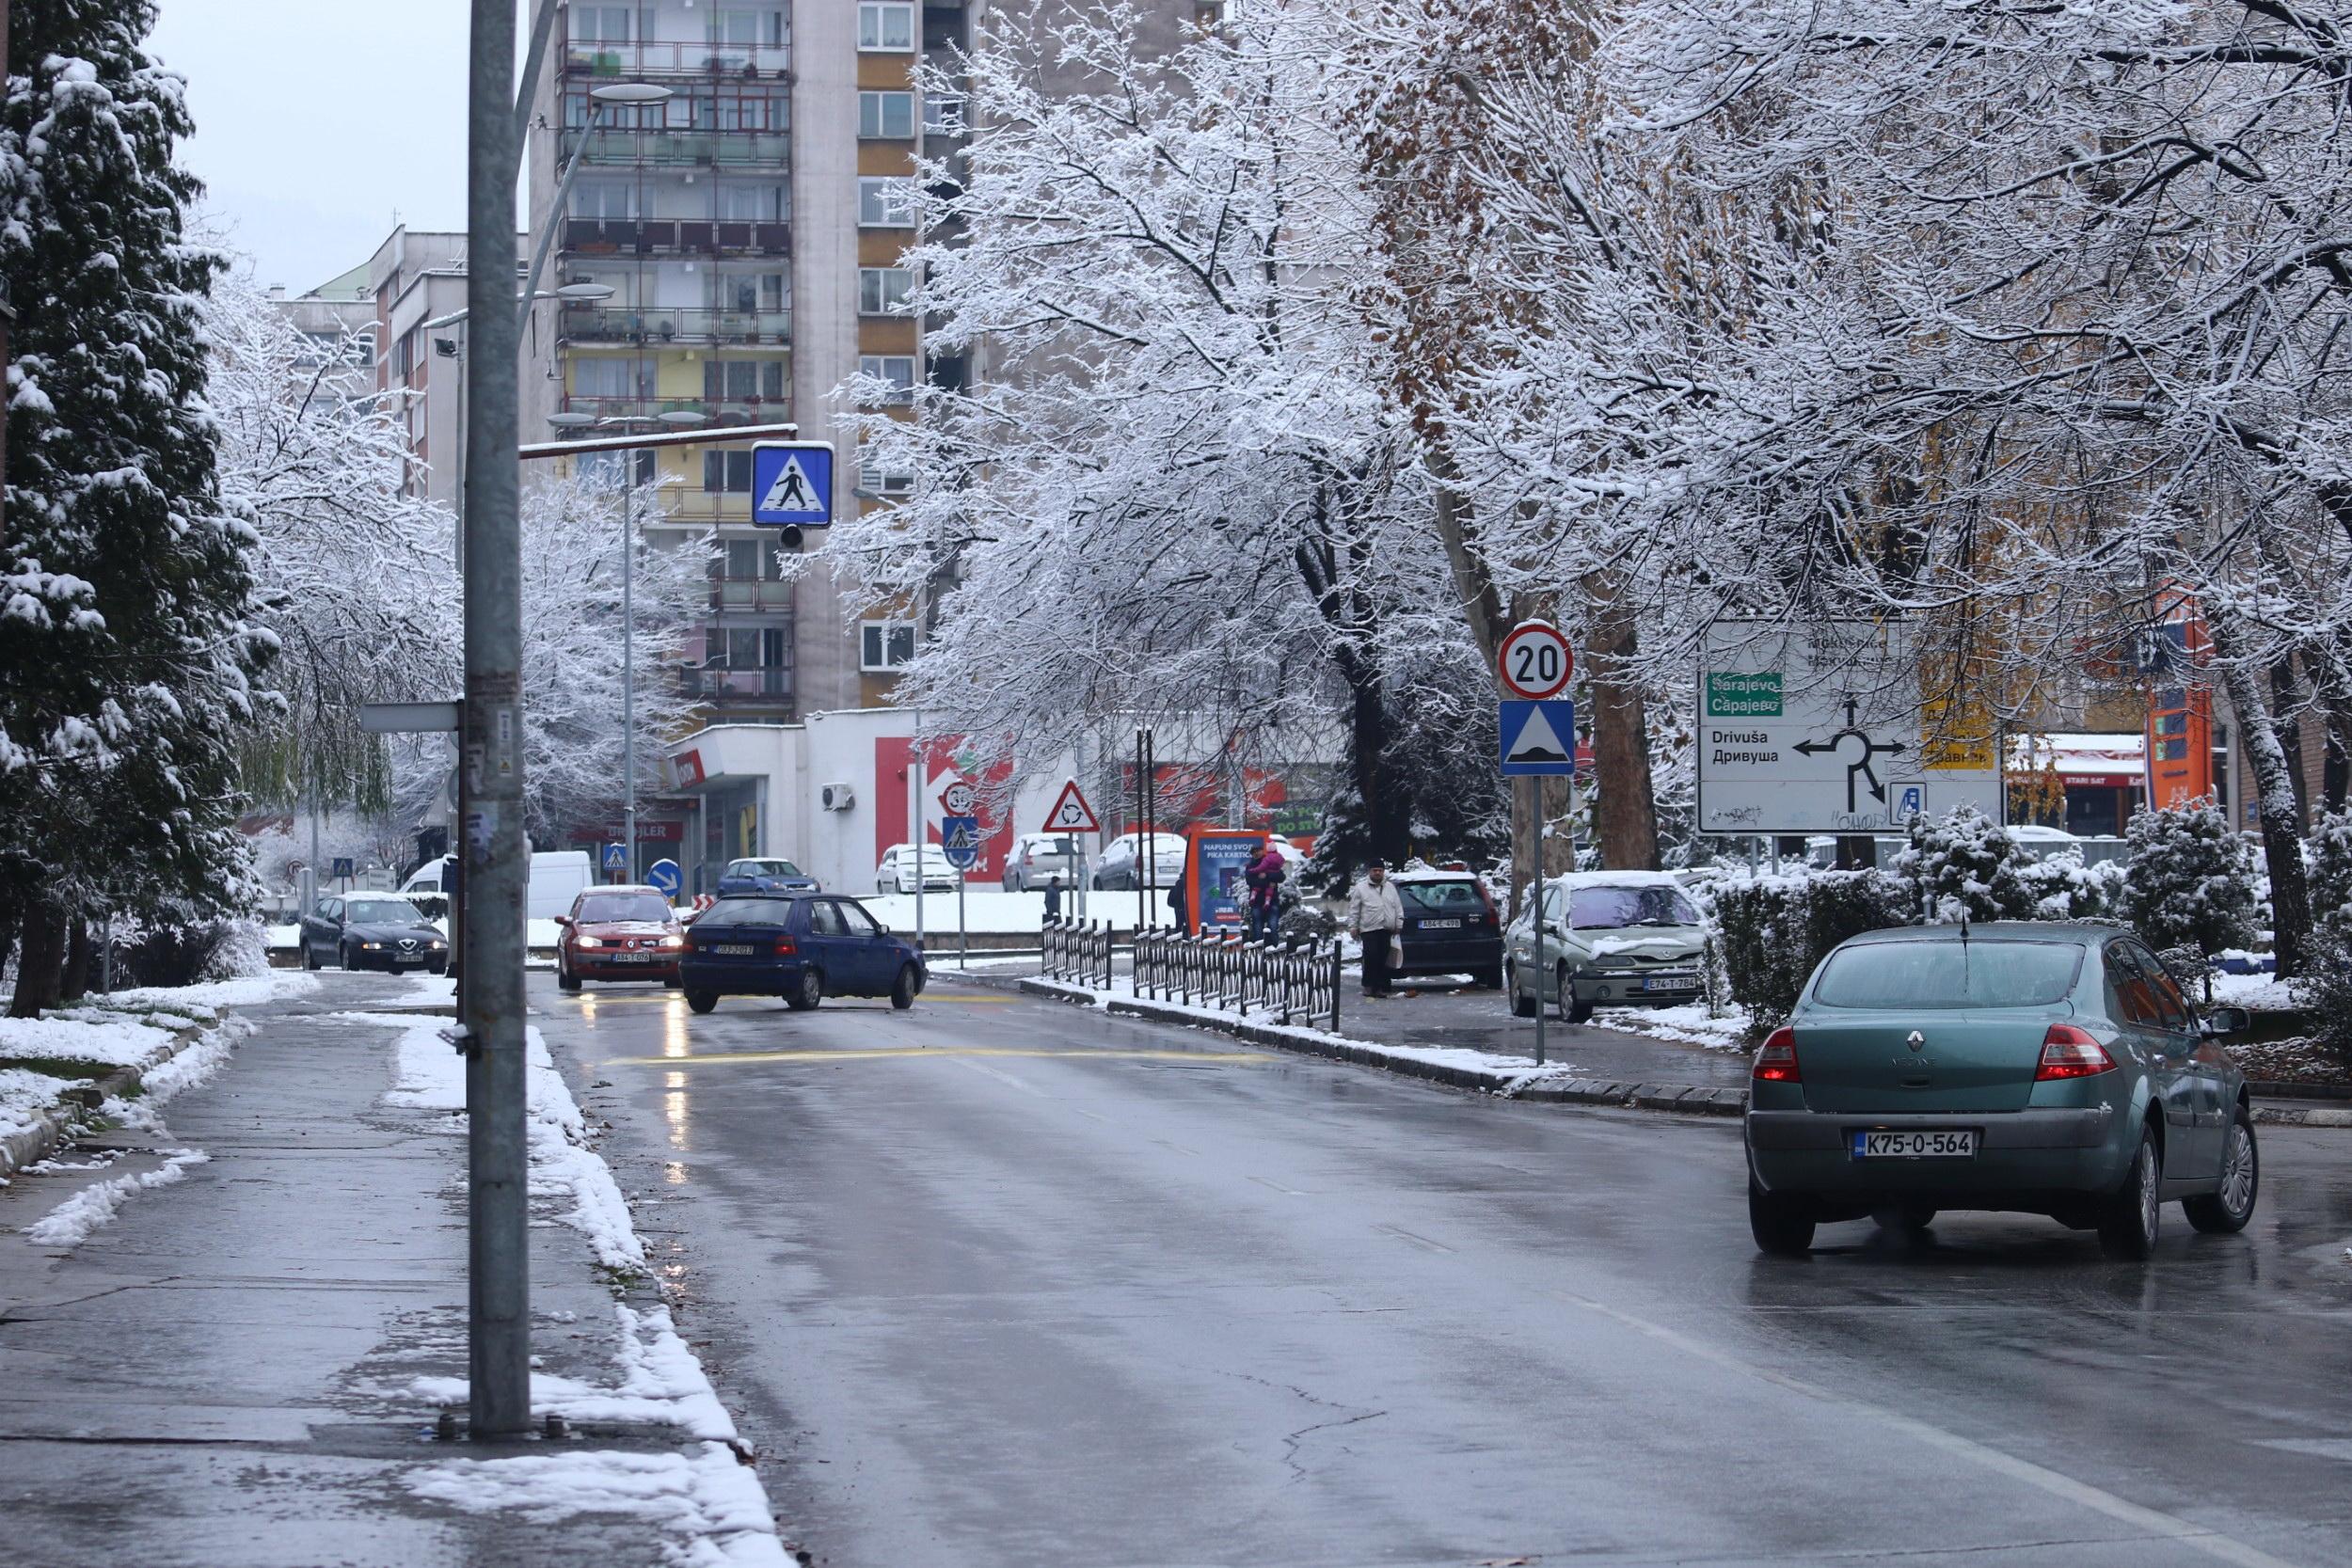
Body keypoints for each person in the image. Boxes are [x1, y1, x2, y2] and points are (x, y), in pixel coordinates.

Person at [1346, 859, 1405, 998]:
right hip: (1369, 929)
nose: (1377, 873)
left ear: (1383, 872)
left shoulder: (1390, 887)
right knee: (1371, 956)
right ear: (1370, 871)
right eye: (1375, 870)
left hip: (1386, 928)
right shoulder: (1361, 888)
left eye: (1380, 870)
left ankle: (1378, 988)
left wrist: (1399, 923)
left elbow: (1398, 907)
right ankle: (1368, 985)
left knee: (1382, 958)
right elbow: (1354, 909)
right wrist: (1353, 926)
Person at [1244, 838, 1286, 942]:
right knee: (1257, 927)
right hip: (1257, 902)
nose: (1256, 853)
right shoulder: (1250, 866)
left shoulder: (1271, 861)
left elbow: (1281, 877)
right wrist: (1270, 882)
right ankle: (1258, 952)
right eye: (1253, 852)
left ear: (1263, 851)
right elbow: (1251, 881)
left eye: (1258, 850)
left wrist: (1266, 875)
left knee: (1273, 926)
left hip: (1272, 901)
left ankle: (1274, 951)